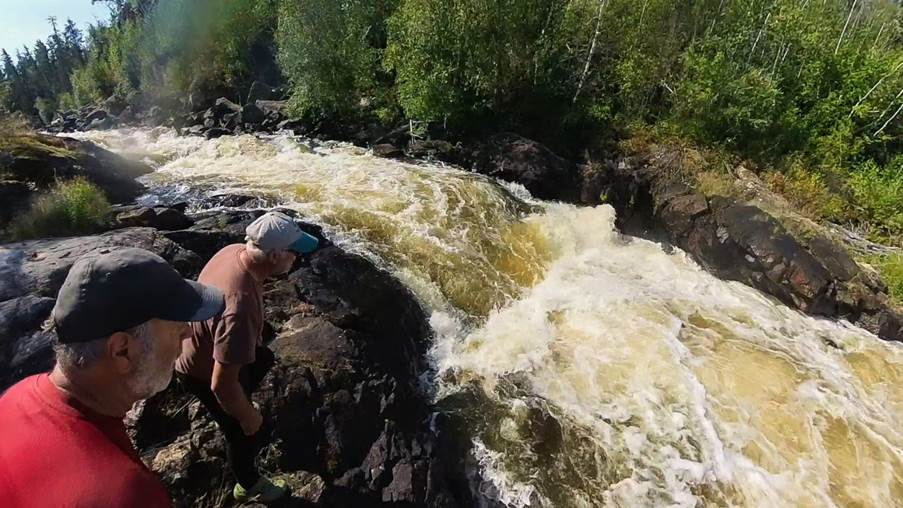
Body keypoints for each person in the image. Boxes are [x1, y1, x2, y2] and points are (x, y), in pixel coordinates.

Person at [0, 247, 225, 508]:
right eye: (177, 328)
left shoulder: (15, 397)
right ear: (122, 351)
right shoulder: (125, 495)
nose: (187, 334)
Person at [176, 211, 318, 503]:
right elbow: (221, 385)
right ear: (276, 255)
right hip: (201, 371)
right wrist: (248, 415)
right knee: (241, 433)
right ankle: (248, 484)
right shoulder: (239, 309)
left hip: (195, 344)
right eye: (294, 252)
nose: (297, 259)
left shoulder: (234, 251)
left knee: (261, 359)